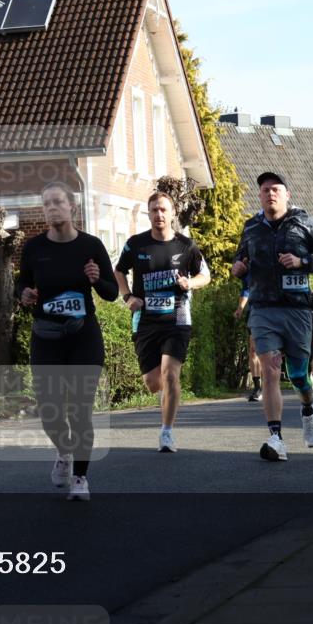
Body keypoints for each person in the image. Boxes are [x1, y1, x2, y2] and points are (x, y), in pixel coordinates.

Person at [17, 182, 117, 500]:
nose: (52, 208)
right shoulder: (34, 249)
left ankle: (80, 479)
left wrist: (95, 279)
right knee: (50, 411)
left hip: (83, 336)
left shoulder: (90, 246)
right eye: (46, 203)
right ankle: (63, 450)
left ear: (72, 207)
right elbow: (21, 282)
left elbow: (111, 292)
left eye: (58, 201)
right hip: (46, 337)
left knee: (81, 411)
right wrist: (24, 294)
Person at [232, 172, 313, 461]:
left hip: (297, 309)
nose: (270, 194)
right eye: (265, 190)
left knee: (300, 376)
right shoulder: (251, 227)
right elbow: (240, 259)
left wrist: (301, 261)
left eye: (276, 189)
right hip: (263, 308)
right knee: (270, 369)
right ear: (260, 195)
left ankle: (307, 409)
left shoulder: (305, 223)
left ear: (287, 194)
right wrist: (238, 268)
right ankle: (276, 437)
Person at [115, 191, 211, 453]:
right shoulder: (136, 244)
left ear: (172, 214)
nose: (159, 214)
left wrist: (189, 283)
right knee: (153, 382)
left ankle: (166, 433)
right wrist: (127, 297)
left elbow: (205, 275)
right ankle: (166, 397)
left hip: (177, 317)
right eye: (154, 210)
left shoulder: (186, 245)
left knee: (170, 374)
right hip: (145, 319)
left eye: (164, 210)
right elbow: (118, 270)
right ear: (149, 214)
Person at [234, 276, 262, 402]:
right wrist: (240, 308)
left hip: (270, 311)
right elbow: (246, 290)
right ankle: (257, 388)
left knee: (265, 351)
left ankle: (268, 383)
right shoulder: (249, 271)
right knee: (253, 350)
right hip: (253, 313)